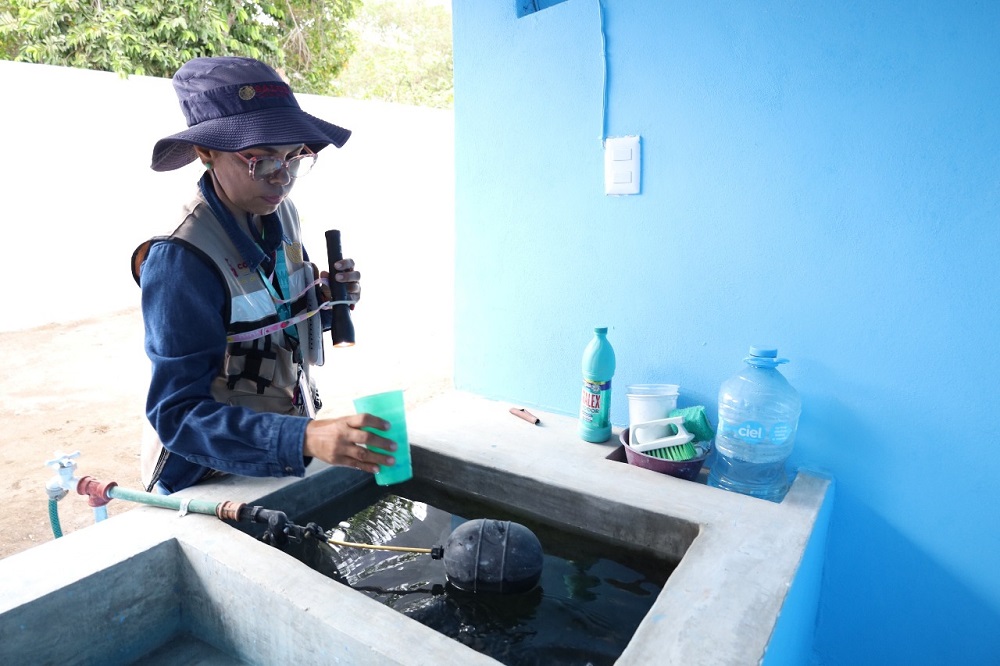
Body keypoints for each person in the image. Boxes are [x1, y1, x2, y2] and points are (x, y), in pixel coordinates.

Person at [131, 56, 396, 494]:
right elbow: (177, 416)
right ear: (206, 152)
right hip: (206, 477)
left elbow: (272, 319)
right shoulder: (181, 260)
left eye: (294, 157)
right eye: (261, 160)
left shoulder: (281, 215)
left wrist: (325, 299)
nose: (283, 179)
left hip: (279, 449)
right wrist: (306, 438)